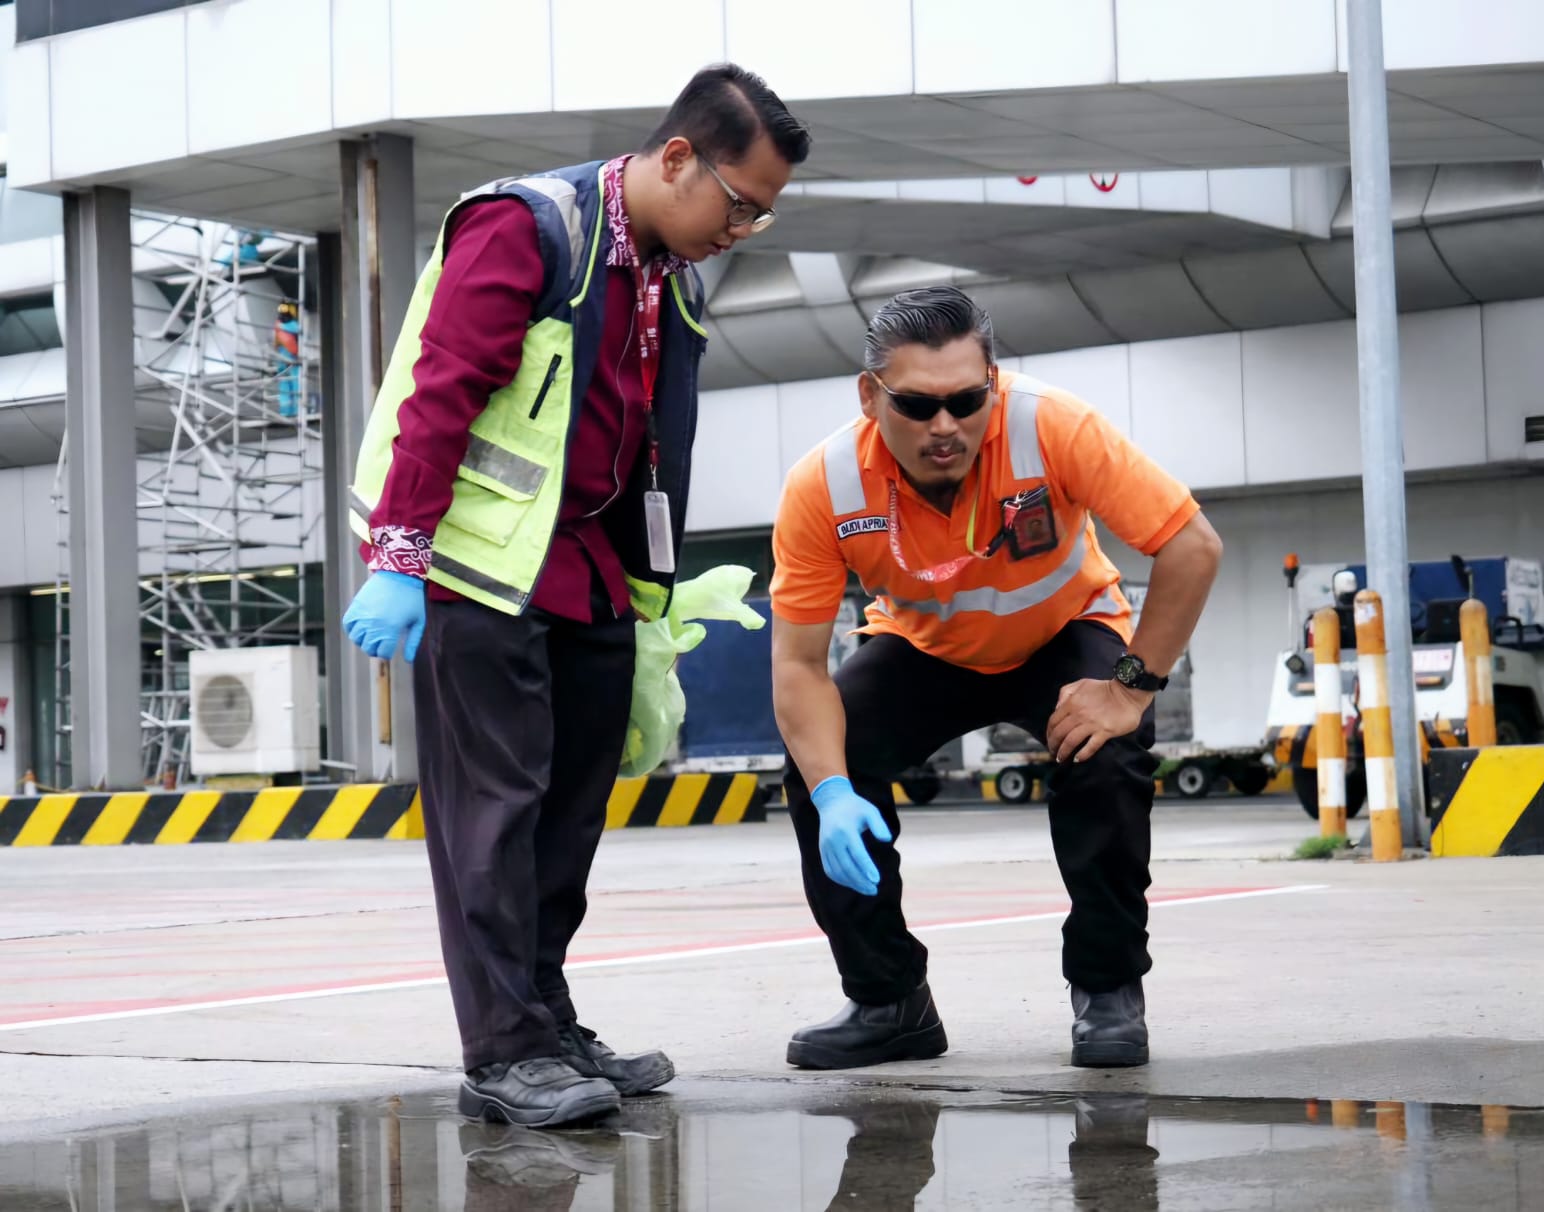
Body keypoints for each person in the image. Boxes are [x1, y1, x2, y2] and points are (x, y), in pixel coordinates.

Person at [340, 64, 810, 1128]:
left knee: (571, 812)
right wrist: (399, 557)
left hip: (590, 575)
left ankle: (546, 1020)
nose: (741, 227)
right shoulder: (528, 227)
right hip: (475, 571)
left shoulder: (665, 273)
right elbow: (441, 391)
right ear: (678, 157)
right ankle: (502, 1051)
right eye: (738, 202)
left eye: (762, 216)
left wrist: (654, 594)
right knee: (495, 814)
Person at [768, 286, 1222, 1072]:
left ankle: (1108, 989)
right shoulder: (825, 487)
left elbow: (1192, 546)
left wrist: (1129, 688)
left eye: (966, 401)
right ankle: (889, 1000)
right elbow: (800, 664)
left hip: (1064, 631)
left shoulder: (1053, 427)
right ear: (870, 397)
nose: (945, 427)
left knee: (1105, 758)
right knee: (820, 763)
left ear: (994, 382)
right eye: (916, 405)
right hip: (924, 647)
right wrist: (833, 789)